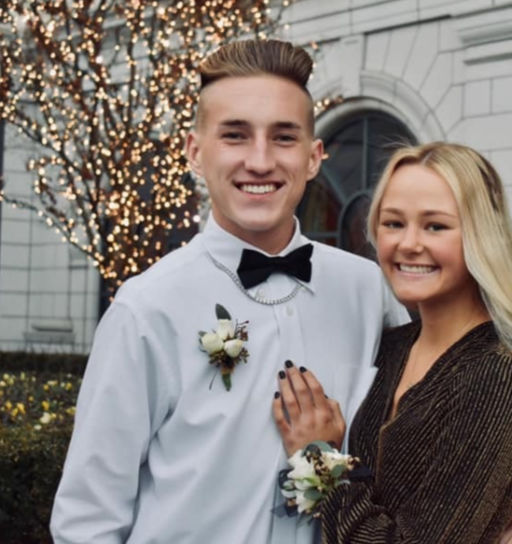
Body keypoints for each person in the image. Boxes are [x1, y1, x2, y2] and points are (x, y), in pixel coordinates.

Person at [50, 39, 409, 544]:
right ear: (196, 152)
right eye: (235, 136)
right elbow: (87, 522)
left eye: (283, 138)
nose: (259, 162)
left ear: (313, 157)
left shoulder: (369, 291)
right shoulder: (146, 309)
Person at [273, 142, 512, 543]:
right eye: (393, 223)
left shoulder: (498, 379)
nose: (408, 244)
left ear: (479, 236)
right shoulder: (390, 348)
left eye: (435, 225)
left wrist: (319, 460)